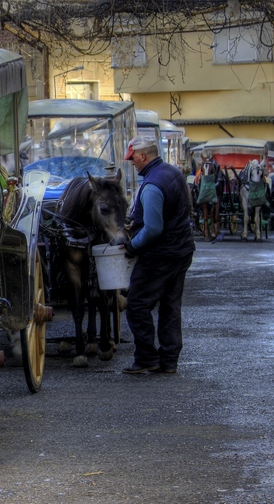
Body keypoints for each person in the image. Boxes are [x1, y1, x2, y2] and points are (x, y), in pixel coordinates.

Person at [120, 136, 196, 374]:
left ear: (143, 155)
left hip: (161, 254)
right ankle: (169, 360)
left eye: (133, 158)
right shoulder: (172, 172)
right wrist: (138, 221)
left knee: (137, 305)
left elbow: (154, 229)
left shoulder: (152, 185)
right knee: (170, 305)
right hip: (182, 249)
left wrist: (133, 246)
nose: (132, 162)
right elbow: (173, 212)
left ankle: (146, 357)